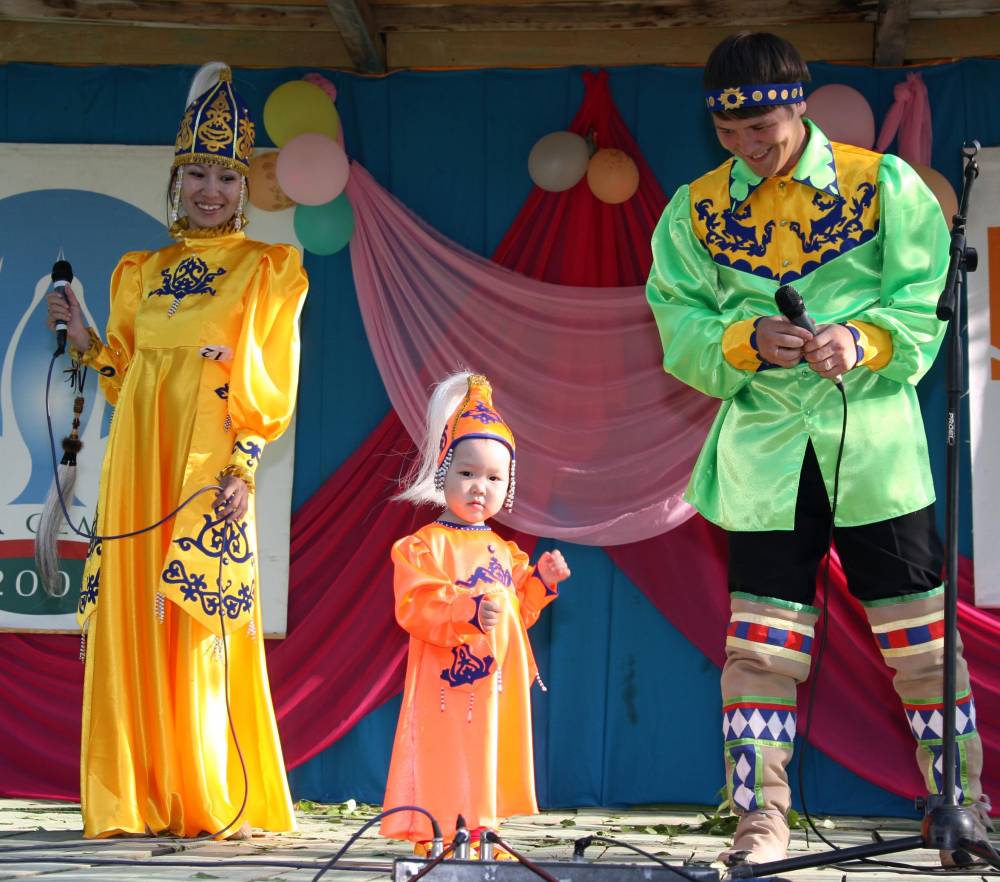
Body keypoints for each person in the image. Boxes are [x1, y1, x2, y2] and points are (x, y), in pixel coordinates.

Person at [646, 32, 990, 867]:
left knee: (922, 642)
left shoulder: (885, 185)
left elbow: (924, 299)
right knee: (760, 647)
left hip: (873, 448)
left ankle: (960, 807)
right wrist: (744, 340)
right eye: (728, 133)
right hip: (765, 458)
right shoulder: (695, 210)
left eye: (760, 129)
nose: (746, 147)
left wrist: (862, 340)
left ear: (798, 104)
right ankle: (759, 823)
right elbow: (677, 320)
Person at [46, 62, 308, 839]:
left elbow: (267, 378)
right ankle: (138, 795)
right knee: (135, 613)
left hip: (207, 465)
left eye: (225, 176)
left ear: (244, 186)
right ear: (175, 179)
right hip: (138, 465)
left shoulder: (265, 270)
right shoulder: (140, 272)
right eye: (196, 173)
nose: (209, 190)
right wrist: (87, 338)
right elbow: (126, 377)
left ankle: (203, 793)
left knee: (196, 619)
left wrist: (244, 465)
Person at [380, 371, 571, 853]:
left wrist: (541, 582)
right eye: (467, 474)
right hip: (446, 677)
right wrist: (468, 610)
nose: (479, 488)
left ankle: (483, 827)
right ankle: (439, 830)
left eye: (493, 478)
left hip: (495, 681)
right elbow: (416, 604)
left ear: (509, 485)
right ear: (443, 473)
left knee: (487, 749)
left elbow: (520, 614)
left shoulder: (505, 551)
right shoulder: (423, 545)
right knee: (446, 749)